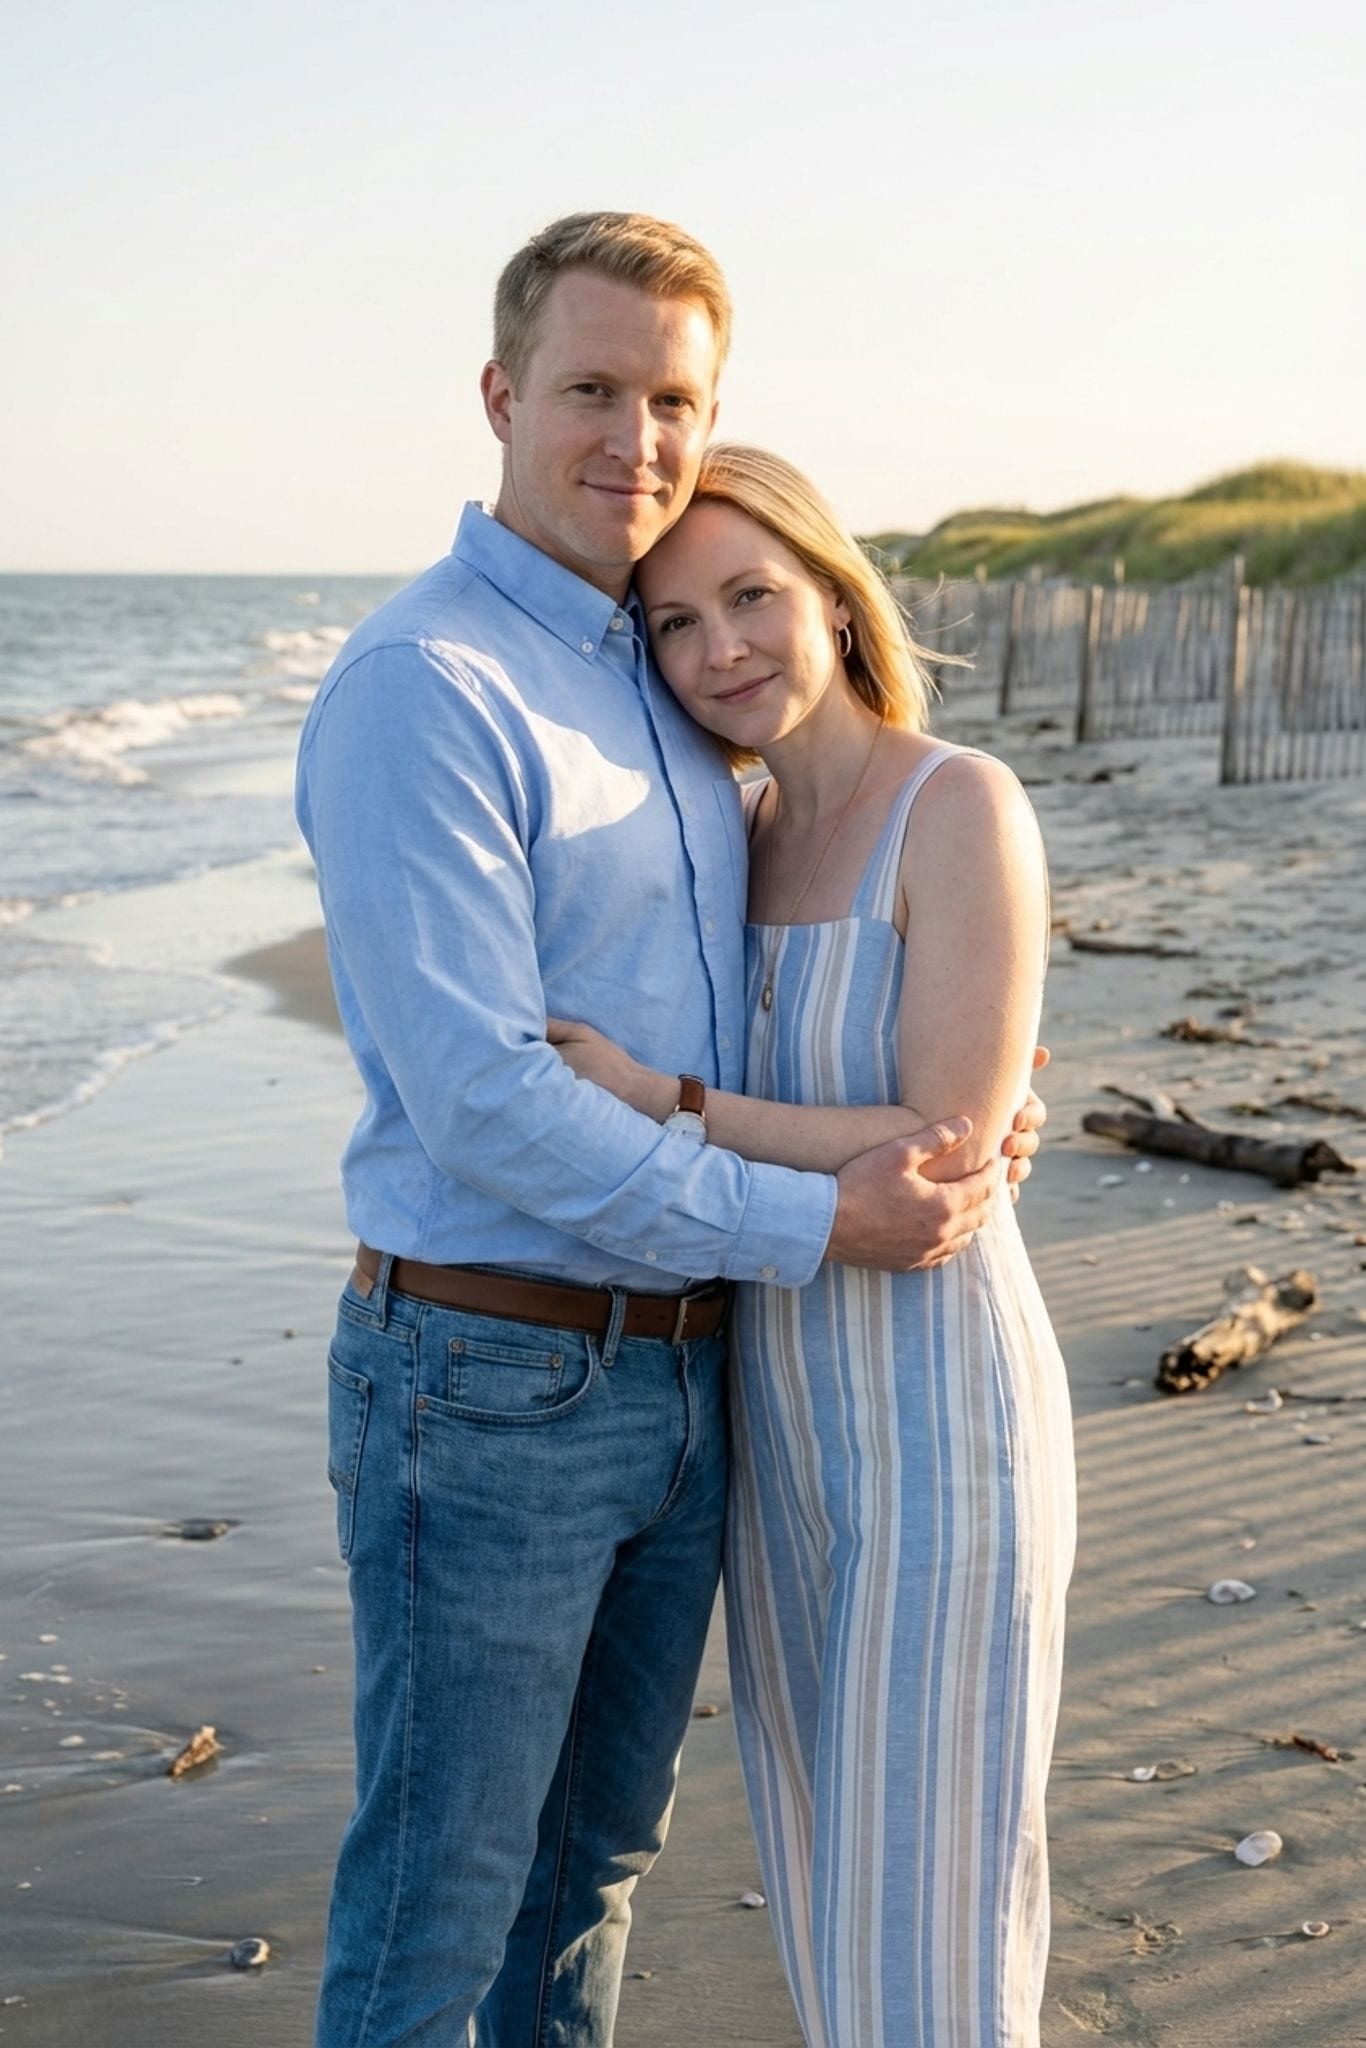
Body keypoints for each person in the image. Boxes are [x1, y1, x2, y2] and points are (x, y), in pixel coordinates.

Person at [295, 212, 1045, 2048]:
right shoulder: (430, 686)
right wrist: (816, 1217)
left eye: (674, 399)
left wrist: (951, 1103)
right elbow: (482, 1097)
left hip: (692, 1378)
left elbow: (868, 943)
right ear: (499, 394)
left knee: (590, 1885)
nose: (634, 438)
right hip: (488, 1371)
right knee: (438, 1913)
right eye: (592, 390)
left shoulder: (655, 672)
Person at [548, 443, 1076, 2048]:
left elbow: (950, 1136)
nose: (720, 649)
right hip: (772, 1408)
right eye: (673, 622)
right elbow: (899, 1121)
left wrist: (668, 1101)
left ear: (834, 595)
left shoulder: (956, 803)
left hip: (938, 1403)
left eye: (752, 597)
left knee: (938, 1890)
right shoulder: (733, 830)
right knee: (831, 1871)